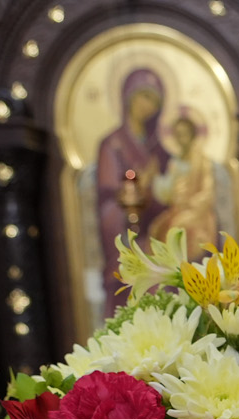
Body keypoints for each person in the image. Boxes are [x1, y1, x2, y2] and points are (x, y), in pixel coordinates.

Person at [94, 68, 171, 318]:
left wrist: (155, 190)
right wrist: (137, 190)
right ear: (129, 97)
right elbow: (108, 194)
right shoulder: (112, 144)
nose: (148, 106)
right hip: (123, 224)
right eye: (144, 96)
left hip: (153, 224)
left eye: (154, 101)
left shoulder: (158, 147)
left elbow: (167, 193)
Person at [150, 107, 220, 257]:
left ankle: (184, 268)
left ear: (192, 135)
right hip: (177, 210)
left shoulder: (202, 162)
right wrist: (170, 192)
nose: (181, 139)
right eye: (178, 135)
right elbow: (168, 193)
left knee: (177, 228)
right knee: (157, 229)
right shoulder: (175, 163)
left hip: (199, 213)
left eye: (184, 134)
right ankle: (167, 270)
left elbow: (208, 192)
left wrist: (190, 204)